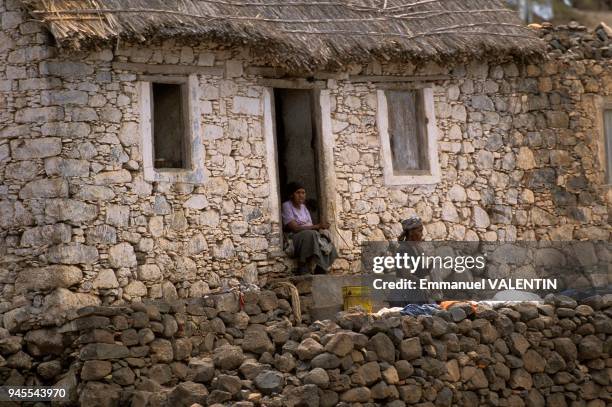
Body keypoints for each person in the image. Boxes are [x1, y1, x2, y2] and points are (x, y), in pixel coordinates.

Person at [282, 182, 338, 274]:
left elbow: (310, 226)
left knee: (325, 234)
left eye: (303, 193)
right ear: (292, 195)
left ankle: (321, 266)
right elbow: (295, 228)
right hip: (293, 239)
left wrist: (322, 227)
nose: (301, 196)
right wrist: (317, 226)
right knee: (311, 234)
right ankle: (302, 263)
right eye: (298, 193)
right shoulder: (287, 206)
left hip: (308, 236)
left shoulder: (304, 207)